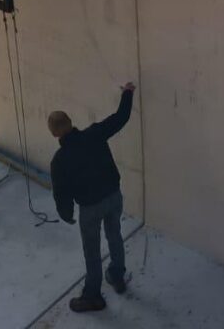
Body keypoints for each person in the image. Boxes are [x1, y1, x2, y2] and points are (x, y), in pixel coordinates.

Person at [51, 83, 136, 313]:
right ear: (71, 122)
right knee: (114, 235)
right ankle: (117, 276)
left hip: (90, 208)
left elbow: (61, 192)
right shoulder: (94, 133)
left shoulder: (59, 160)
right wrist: (128, 92)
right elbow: (121, 117)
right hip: (113, 197)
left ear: (54, 133)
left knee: (92, 252)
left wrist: (66, 214)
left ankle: (93, 296)